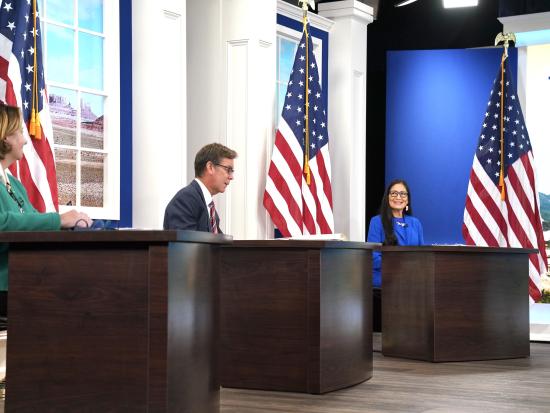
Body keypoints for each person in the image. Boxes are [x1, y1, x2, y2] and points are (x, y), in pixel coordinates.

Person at [0, 103, 92, 317]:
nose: (24, 140)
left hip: (22, 282)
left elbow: (33, 222)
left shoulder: (13, 183)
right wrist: (58, 220)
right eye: (21, 133)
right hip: (7, 287)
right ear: (5, 138)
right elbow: (3, 223)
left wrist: (72, 224)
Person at [367, 179, 424, 331]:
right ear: (387, 197)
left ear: (408, 199)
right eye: (394, 193)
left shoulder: (415, 223)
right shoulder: (377, 222)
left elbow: (422, 255)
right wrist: (399, 271)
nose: (398, 197)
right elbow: (373, 256)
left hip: (411, 284)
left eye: (403, 194)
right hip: (385, 283)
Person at [164, 143, 237, 232]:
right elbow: (185, 244)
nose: (231, 177)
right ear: (210, 167)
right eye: (228, 170)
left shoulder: (209, 208)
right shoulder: (185, 200)